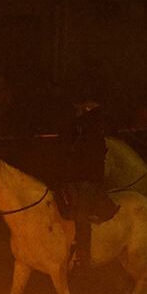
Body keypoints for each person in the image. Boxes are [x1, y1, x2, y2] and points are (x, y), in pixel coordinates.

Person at [59, 92, 115, 270]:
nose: (78, 112)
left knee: (82, 216)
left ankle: (84, 254)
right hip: (78, 177)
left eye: (81, 109)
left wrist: (74, 174)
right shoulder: (83, 129)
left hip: (88, 180)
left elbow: (86, 159)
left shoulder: (93, 130)